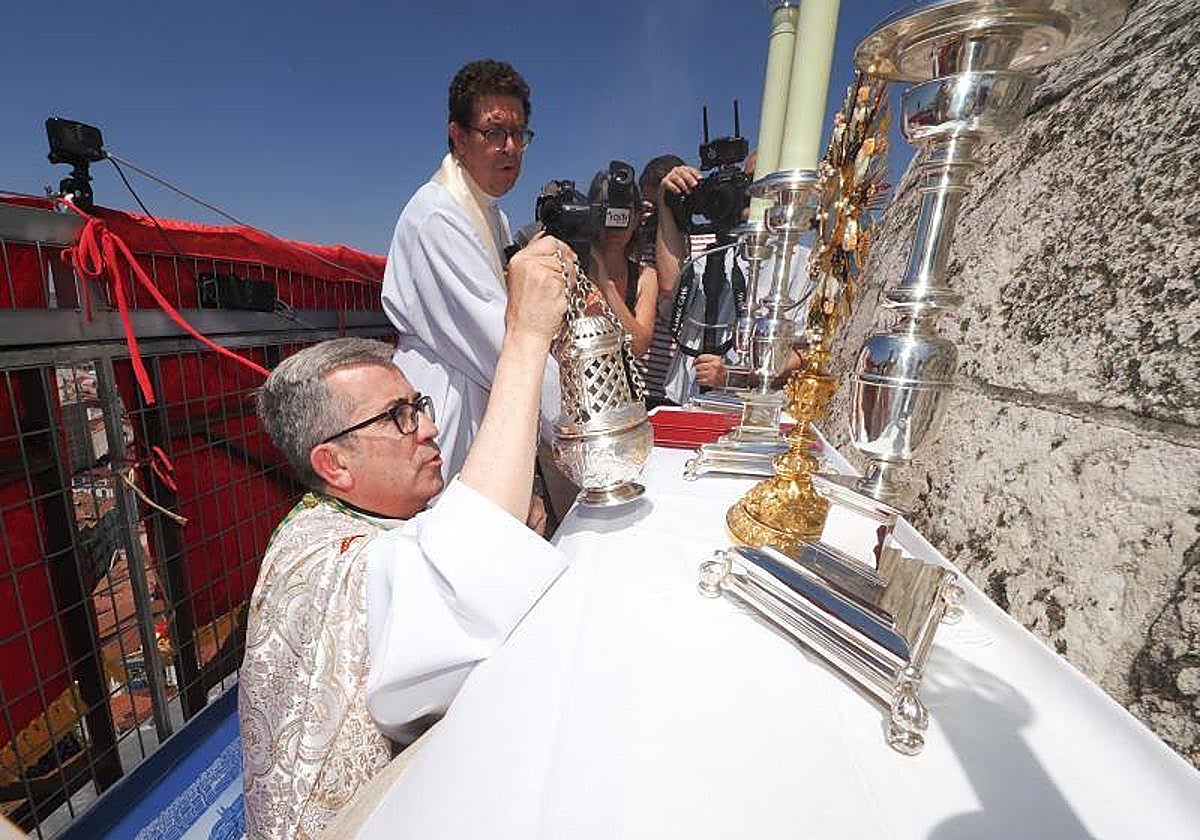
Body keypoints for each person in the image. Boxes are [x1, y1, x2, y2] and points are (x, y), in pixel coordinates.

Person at [238, 237, 572, 840]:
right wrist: (525, 335)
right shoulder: (323, 559)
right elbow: (460, 584)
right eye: (399, 416)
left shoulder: (363, 516)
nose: (429, 426)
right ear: (333, 465)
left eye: (417, 404)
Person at [381, 59, 556, 531]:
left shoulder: (490, 213)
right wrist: (574, 425)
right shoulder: (439, 215)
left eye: (520, 134)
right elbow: (500, 339)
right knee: (454, 541)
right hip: (446, 400)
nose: (511, 147)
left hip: (477, 392)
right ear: (458, 137)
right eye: (495, 132)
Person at [585, 165, 658, 357]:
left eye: (622, 214)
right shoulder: (571, 267)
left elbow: (639, 347)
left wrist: (605, 285)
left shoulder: (646, 276)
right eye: (607, 213)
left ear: (636, 218)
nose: (614, 225)